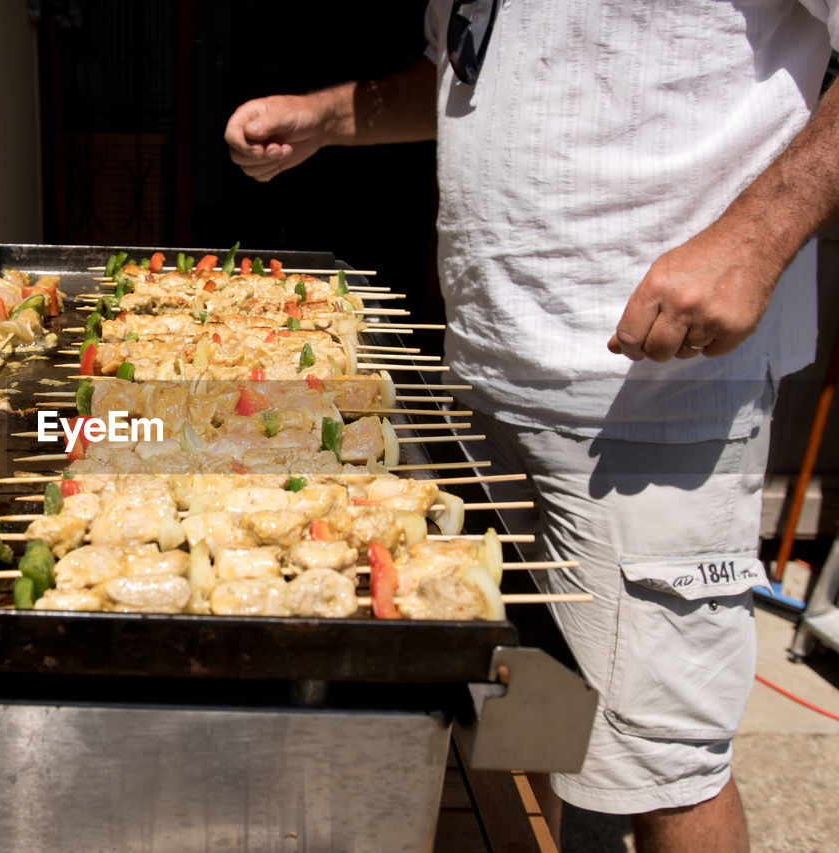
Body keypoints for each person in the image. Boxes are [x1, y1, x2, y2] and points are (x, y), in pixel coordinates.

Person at [225, 2, 839, 851]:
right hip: (491, 370)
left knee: (665, 768)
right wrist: (326, 117)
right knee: (533, 717)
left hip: (653, 391)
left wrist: (754, 239)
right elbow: (471, 73)